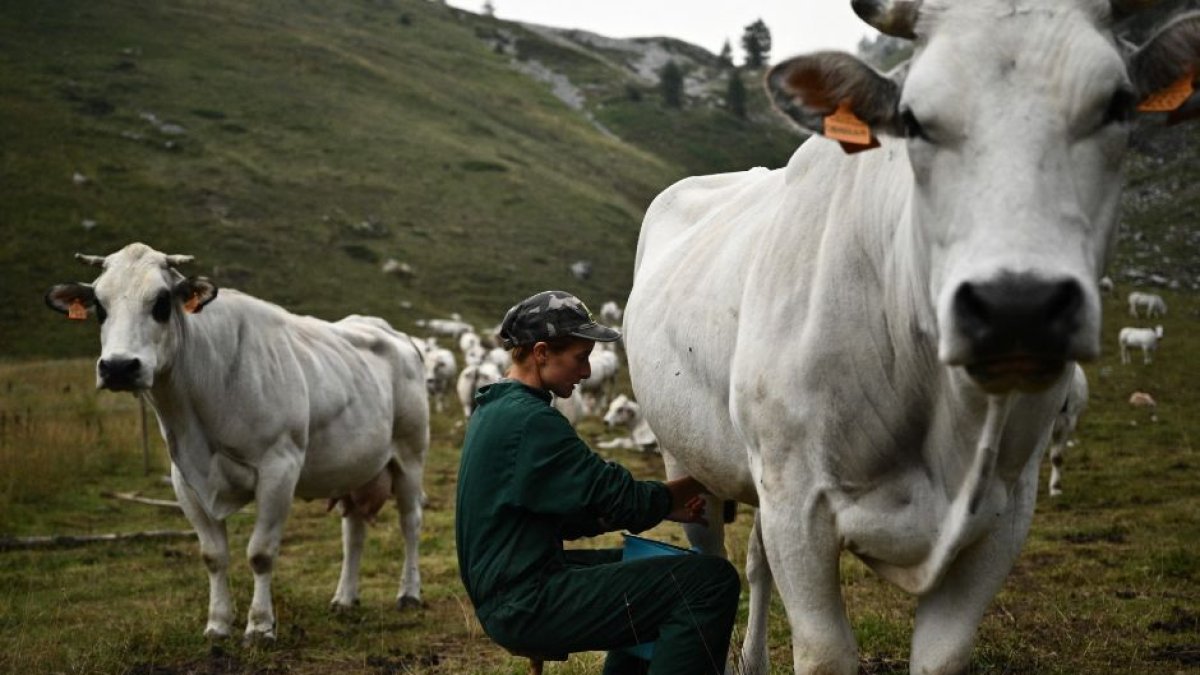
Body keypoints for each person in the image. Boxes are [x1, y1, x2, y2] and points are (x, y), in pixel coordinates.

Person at [455, 290, 741, 675]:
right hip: (525, 601)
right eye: (580, 358)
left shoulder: (495, 408)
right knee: (710, 582)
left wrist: (664, 508)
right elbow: (615, 497)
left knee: (653, 566)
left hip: (512, 589)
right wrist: (705, 479)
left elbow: (569, 512)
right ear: (541, 353)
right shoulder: (530, 421)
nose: (587, 372)